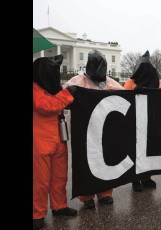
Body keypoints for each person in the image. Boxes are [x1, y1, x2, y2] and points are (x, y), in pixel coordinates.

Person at [64, 50, 123, 209]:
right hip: (84, 131)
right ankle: (86, 195)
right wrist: (70, 94)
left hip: (104, 131)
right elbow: (62, 98)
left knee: (106, 159)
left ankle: (105, 193)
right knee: (84, 161)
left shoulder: (109, 82)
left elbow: (126, 96)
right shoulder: (77, 81)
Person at [33, 55, 78, 229]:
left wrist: (67, 97)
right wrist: (67, 95)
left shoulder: (53, 87)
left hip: (59, 138)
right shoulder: (35, 88)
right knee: (40, 180)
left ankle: (59, 206)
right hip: (40, 141)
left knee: (59, 177)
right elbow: (45, 106)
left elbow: (59, 103)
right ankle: (37, 214)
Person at [123, 51, 159, 192]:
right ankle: (135, 179)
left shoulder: (156, 82)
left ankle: (146, 177)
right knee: (135, 151)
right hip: (135, 124)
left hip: (150, 123)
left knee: (147, 151)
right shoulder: (130, 84)